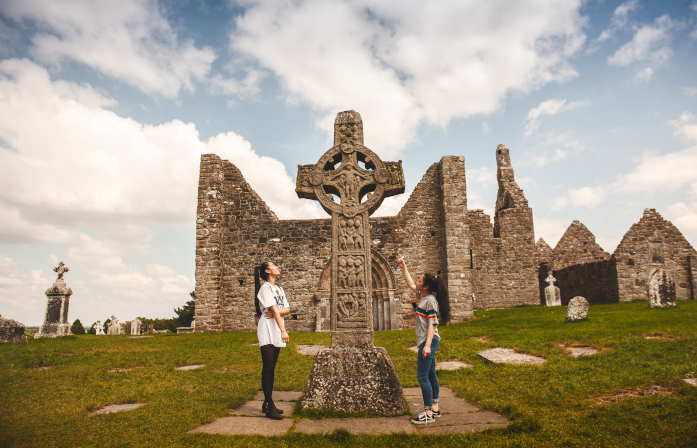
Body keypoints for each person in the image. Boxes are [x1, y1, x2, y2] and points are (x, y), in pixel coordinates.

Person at [397, 256, 450, 425]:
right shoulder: (424, 296)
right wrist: (403, 266)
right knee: (431, 374)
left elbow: (432, 325)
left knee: (422, 376)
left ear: (426, 286)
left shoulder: (430, 302)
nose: (417, 282)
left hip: (429, 341)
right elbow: (411, 285)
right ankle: (435, 407)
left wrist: (426, 345)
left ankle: (428, 412)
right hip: (428, 341)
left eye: (420, 280)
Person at [254, 261, 290, 420]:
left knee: (272, 367)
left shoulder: (279, 289)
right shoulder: (265, 288)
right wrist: (283, 330)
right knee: (268, 366)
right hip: (269, 328)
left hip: (276, 325)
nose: (277, 266)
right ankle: (270, 405)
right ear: (268, 271)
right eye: (274, 265)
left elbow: (287, 310)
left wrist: (278, 315)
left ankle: (267, 402)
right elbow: (273, 310)